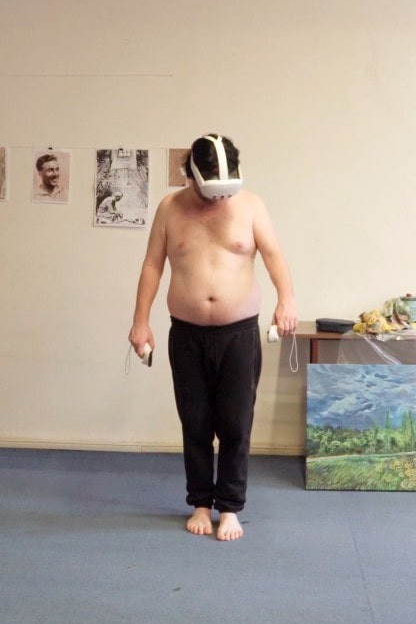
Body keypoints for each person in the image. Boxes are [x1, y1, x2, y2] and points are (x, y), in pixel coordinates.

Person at [128, 134, 297, 542]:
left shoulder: (251, 206)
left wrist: (287, 300)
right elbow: (152, 265)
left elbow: (274, 256)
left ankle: (230, 507)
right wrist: (140, 322)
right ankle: (201, 503)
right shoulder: (170, 208)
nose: (218, 199)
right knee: (196, 422)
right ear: (190, 176)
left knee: (236, 423)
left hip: (238, 333)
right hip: (187, 333)